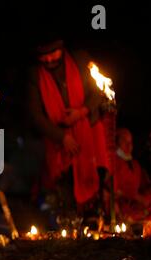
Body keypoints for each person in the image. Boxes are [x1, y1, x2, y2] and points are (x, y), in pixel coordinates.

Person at [24, 36, 109, 217]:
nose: (49, 59)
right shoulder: (35, 75)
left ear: (61, 49)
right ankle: (71, 225)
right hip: (58, 140)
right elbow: (36, 115)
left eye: (53, 53)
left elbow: (97, 94)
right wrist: (62, 137)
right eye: (44, 56)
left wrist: (81, 112)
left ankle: (95, 220)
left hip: (89, 132)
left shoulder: (80, 60)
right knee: (65, 186)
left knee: (97, 179)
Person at [114, 128, 151, 235]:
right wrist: (136, 197)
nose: (129, 146)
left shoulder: (135, 165)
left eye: (130, 142)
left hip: (137, 206)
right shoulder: (113, 164)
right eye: (125, 142)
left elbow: (145, 184)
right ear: (117, 143)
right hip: (123, 208)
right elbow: (114, 190)